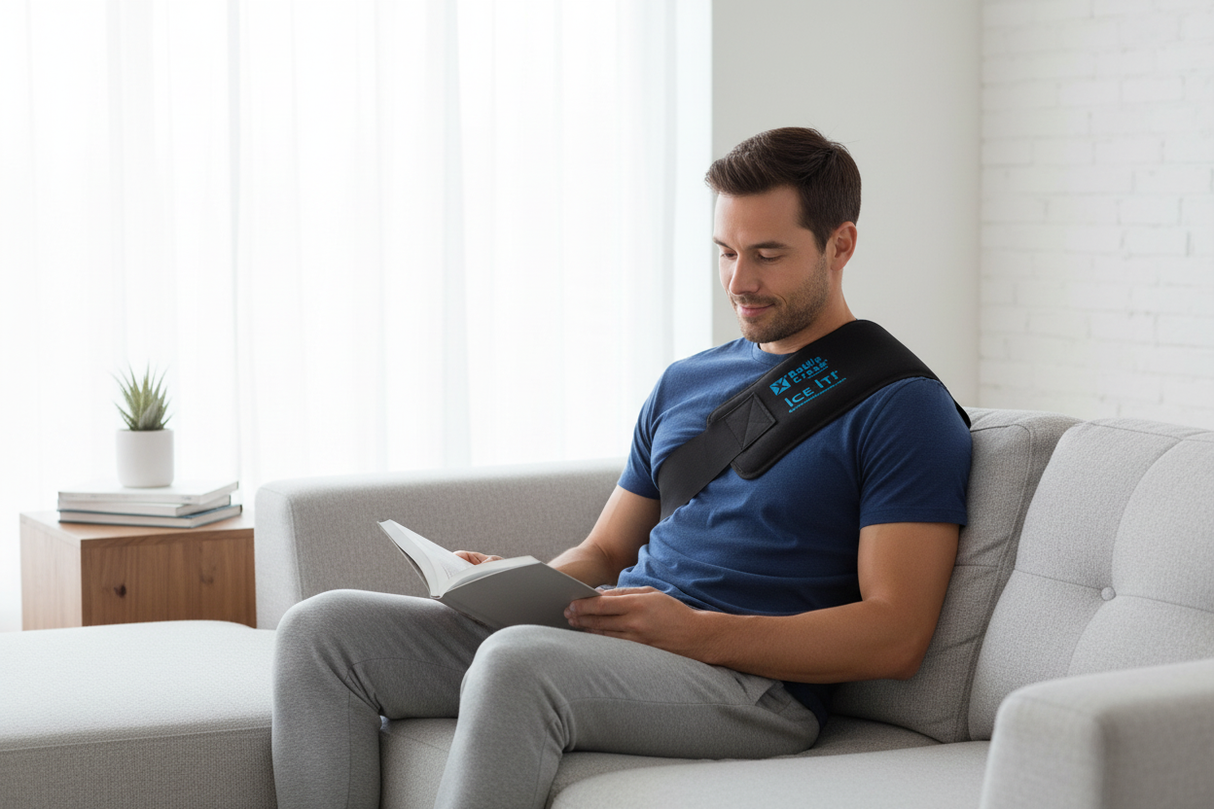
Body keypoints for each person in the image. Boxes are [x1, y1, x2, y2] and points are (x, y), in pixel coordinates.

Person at [271, 126, 972, 809]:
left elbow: (896, 631)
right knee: (322, 631)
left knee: (519, 664)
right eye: (725, 252)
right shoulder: (685, 381)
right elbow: (607, 549)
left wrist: (694, 630)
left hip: (750, 685)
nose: (739, 281)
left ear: (840, 244)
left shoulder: (901, 405)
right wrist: (512, 582)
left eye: (767, 254)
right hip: (623, 638)